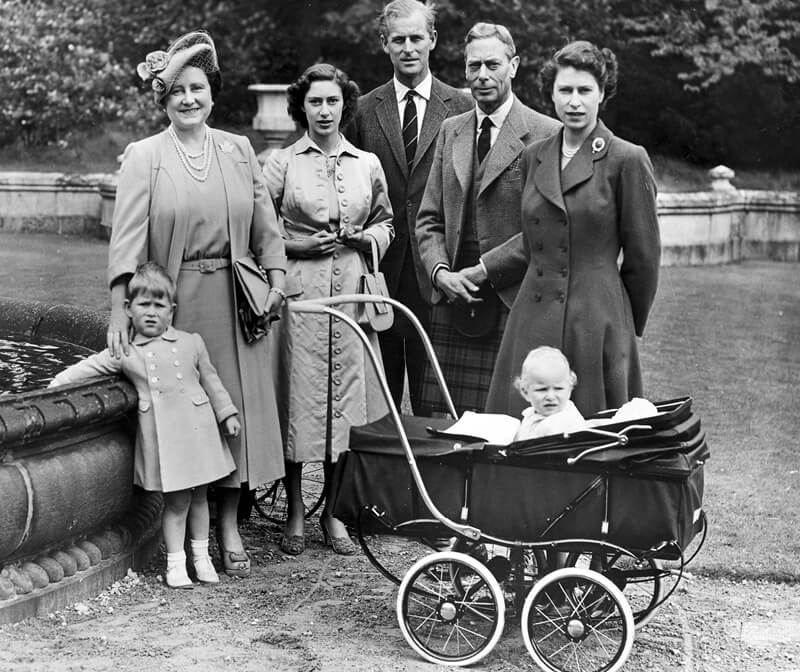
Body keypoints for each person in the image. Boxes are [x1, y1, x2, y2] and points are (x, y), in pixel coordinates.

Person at [107, 31, 287, 578]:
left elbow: (266, 227)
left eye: (198, 89)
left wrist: (277, 282)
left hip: (238, 301)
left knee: (235, 412)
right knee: (190, 416)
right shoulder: (145, 157)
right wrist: (119, 309)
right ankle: (187, 537)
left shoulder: (237, 149)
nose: (188, 99)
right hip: (177, 302)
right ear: (163, 100)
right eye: (177, 91)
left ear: (212, 93)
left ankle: (229, 526)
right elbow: (126, 241)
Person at [486, 40, 661, 418]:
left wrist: (621, 322)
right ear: (551, 95)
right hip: (533, 314)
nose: (575, 102)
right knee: (523, 426)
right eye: (565, 90)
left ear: (602, 94)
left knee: (592, 432)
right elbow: (532, 242)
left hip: (596, 320)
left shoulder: (626, 158)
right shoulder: (534, 155)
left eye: (585, 90)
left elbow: (644, 258)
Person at [263, 63, 394, 557]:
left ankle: (333, 512)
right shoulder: (281, 163)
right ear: (302, 107)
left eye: (332, 101)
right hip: (302, 299)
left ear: (345, 106)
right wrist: (295, 246)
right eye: (315, 102)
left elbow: (386, 223)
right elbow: (259, 230)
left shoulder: (366, 163)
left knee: (346, 406)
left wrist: (367, 238)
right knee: (300, 401)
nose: (324, 111)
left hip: (354, 297)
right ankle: (296, 511)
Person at [50, 263, 241, 589]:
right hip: (167, 439)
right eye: (144, 304)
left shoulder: (191, 342)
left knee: (200, 498)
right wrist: (54, 384)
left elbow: (211, 382)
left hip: (200, 432)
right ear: (128, 308)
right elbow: (90, 367)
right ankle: (176, 563)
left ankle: (202, 558)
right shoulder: (127, 351)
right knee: (176, 502)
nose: (151, 313)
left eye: (159, 305)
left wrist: (227, 414)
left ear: (172, 310)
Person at [415, 22, 561, 417]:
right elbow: (428, 219)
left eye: (492, 65)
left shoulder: (546, 133)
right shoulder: (451, 131)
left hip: (512, 298)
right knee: (444, 422)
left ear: (513, 66)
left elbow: (543, 230)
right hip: (452, 297)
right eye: (473, 66)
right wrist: (440, 273)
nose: (482, 75)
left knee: (506, 422)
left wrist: (483, 270)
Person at [346, 0, 473, 414]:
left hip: (437, 275)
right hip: (378, 277)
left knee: (434, 407)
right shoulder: (363, 110)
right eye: (398, 39)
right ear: (384, 43)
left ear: (432, 39)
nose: (408, 48)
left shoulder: (463, 108)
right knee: (377, 409)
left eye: (416, 38)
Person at [512, 346, 586, 441]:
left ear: (570, 388)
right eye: (542, 389)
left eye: (558, 388)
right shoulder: (530, 416)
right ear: (525, 392)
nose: (550, 397)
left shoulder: (566, 422)